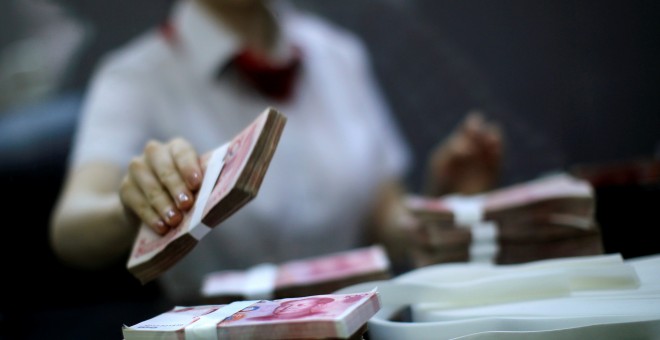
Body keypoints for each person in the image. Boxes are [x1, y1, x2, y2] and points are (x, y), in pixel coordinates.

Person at [49, 0, 503, 304]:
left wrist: (438, 210)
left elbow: (382, 215)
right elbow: (72, 227)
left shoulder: (338, 52)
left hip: (360, 321)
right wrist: (131, 209)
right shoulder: (135, 77)